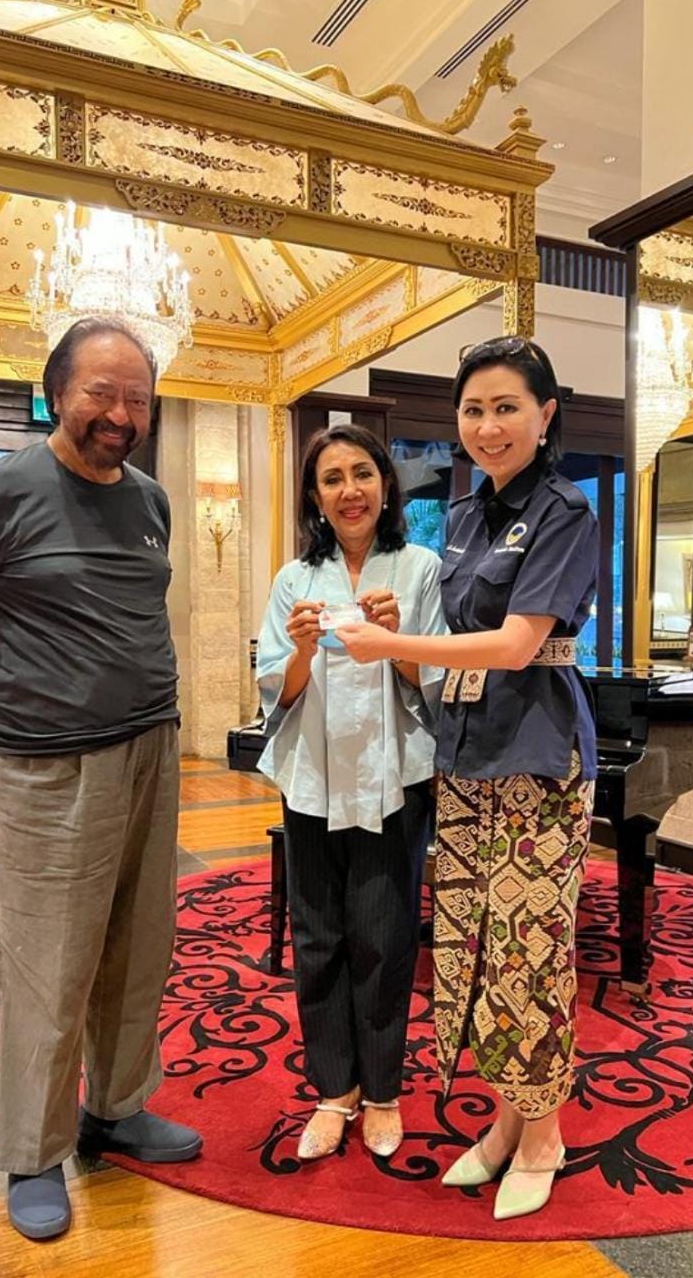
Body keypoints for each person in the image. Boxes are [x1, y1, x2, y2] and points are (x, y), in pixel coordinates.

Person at [0, 317, 201, 1241]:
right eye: (101, 393)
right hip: (42, 763)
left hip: (150, 748)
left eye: (138, 398)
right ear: (55, 392)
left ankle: (115, 1108)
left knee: (137, 944)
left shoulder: (150, 500)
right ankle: (33, 1149)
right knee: (47, 959)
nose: (121, 414)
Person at [337, 336, 598, 1220]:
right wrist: (394, 617)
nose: (489, 427)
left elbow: (518, 644)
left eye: (507, 408)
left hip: (537, 753)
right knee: (475, 949)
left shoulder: (565, 510)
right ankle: (505, 1120)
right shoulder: (459, 511)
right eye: (474, 410)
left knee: (532, 950)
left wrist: (392, 643)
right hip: (464, 748)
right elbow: (456, 624)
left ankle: (544, 1131)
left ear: (545, 415)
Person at [256, 423, 445, 1161]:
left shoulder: (419, 569)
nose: (349, 490)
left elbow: (435, 683)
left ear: (386, 486)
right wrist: (302, 649)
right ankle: (334, 1091)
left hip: (394, 778)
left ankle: (385, 1091)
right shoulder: (294, 579)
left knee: (385, 935)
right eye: (332, 479)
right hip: (312, 777)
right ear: (315, 496)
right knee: (318, 936)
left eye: (362, 474)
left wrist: (398, 641)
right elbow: (278, 691)